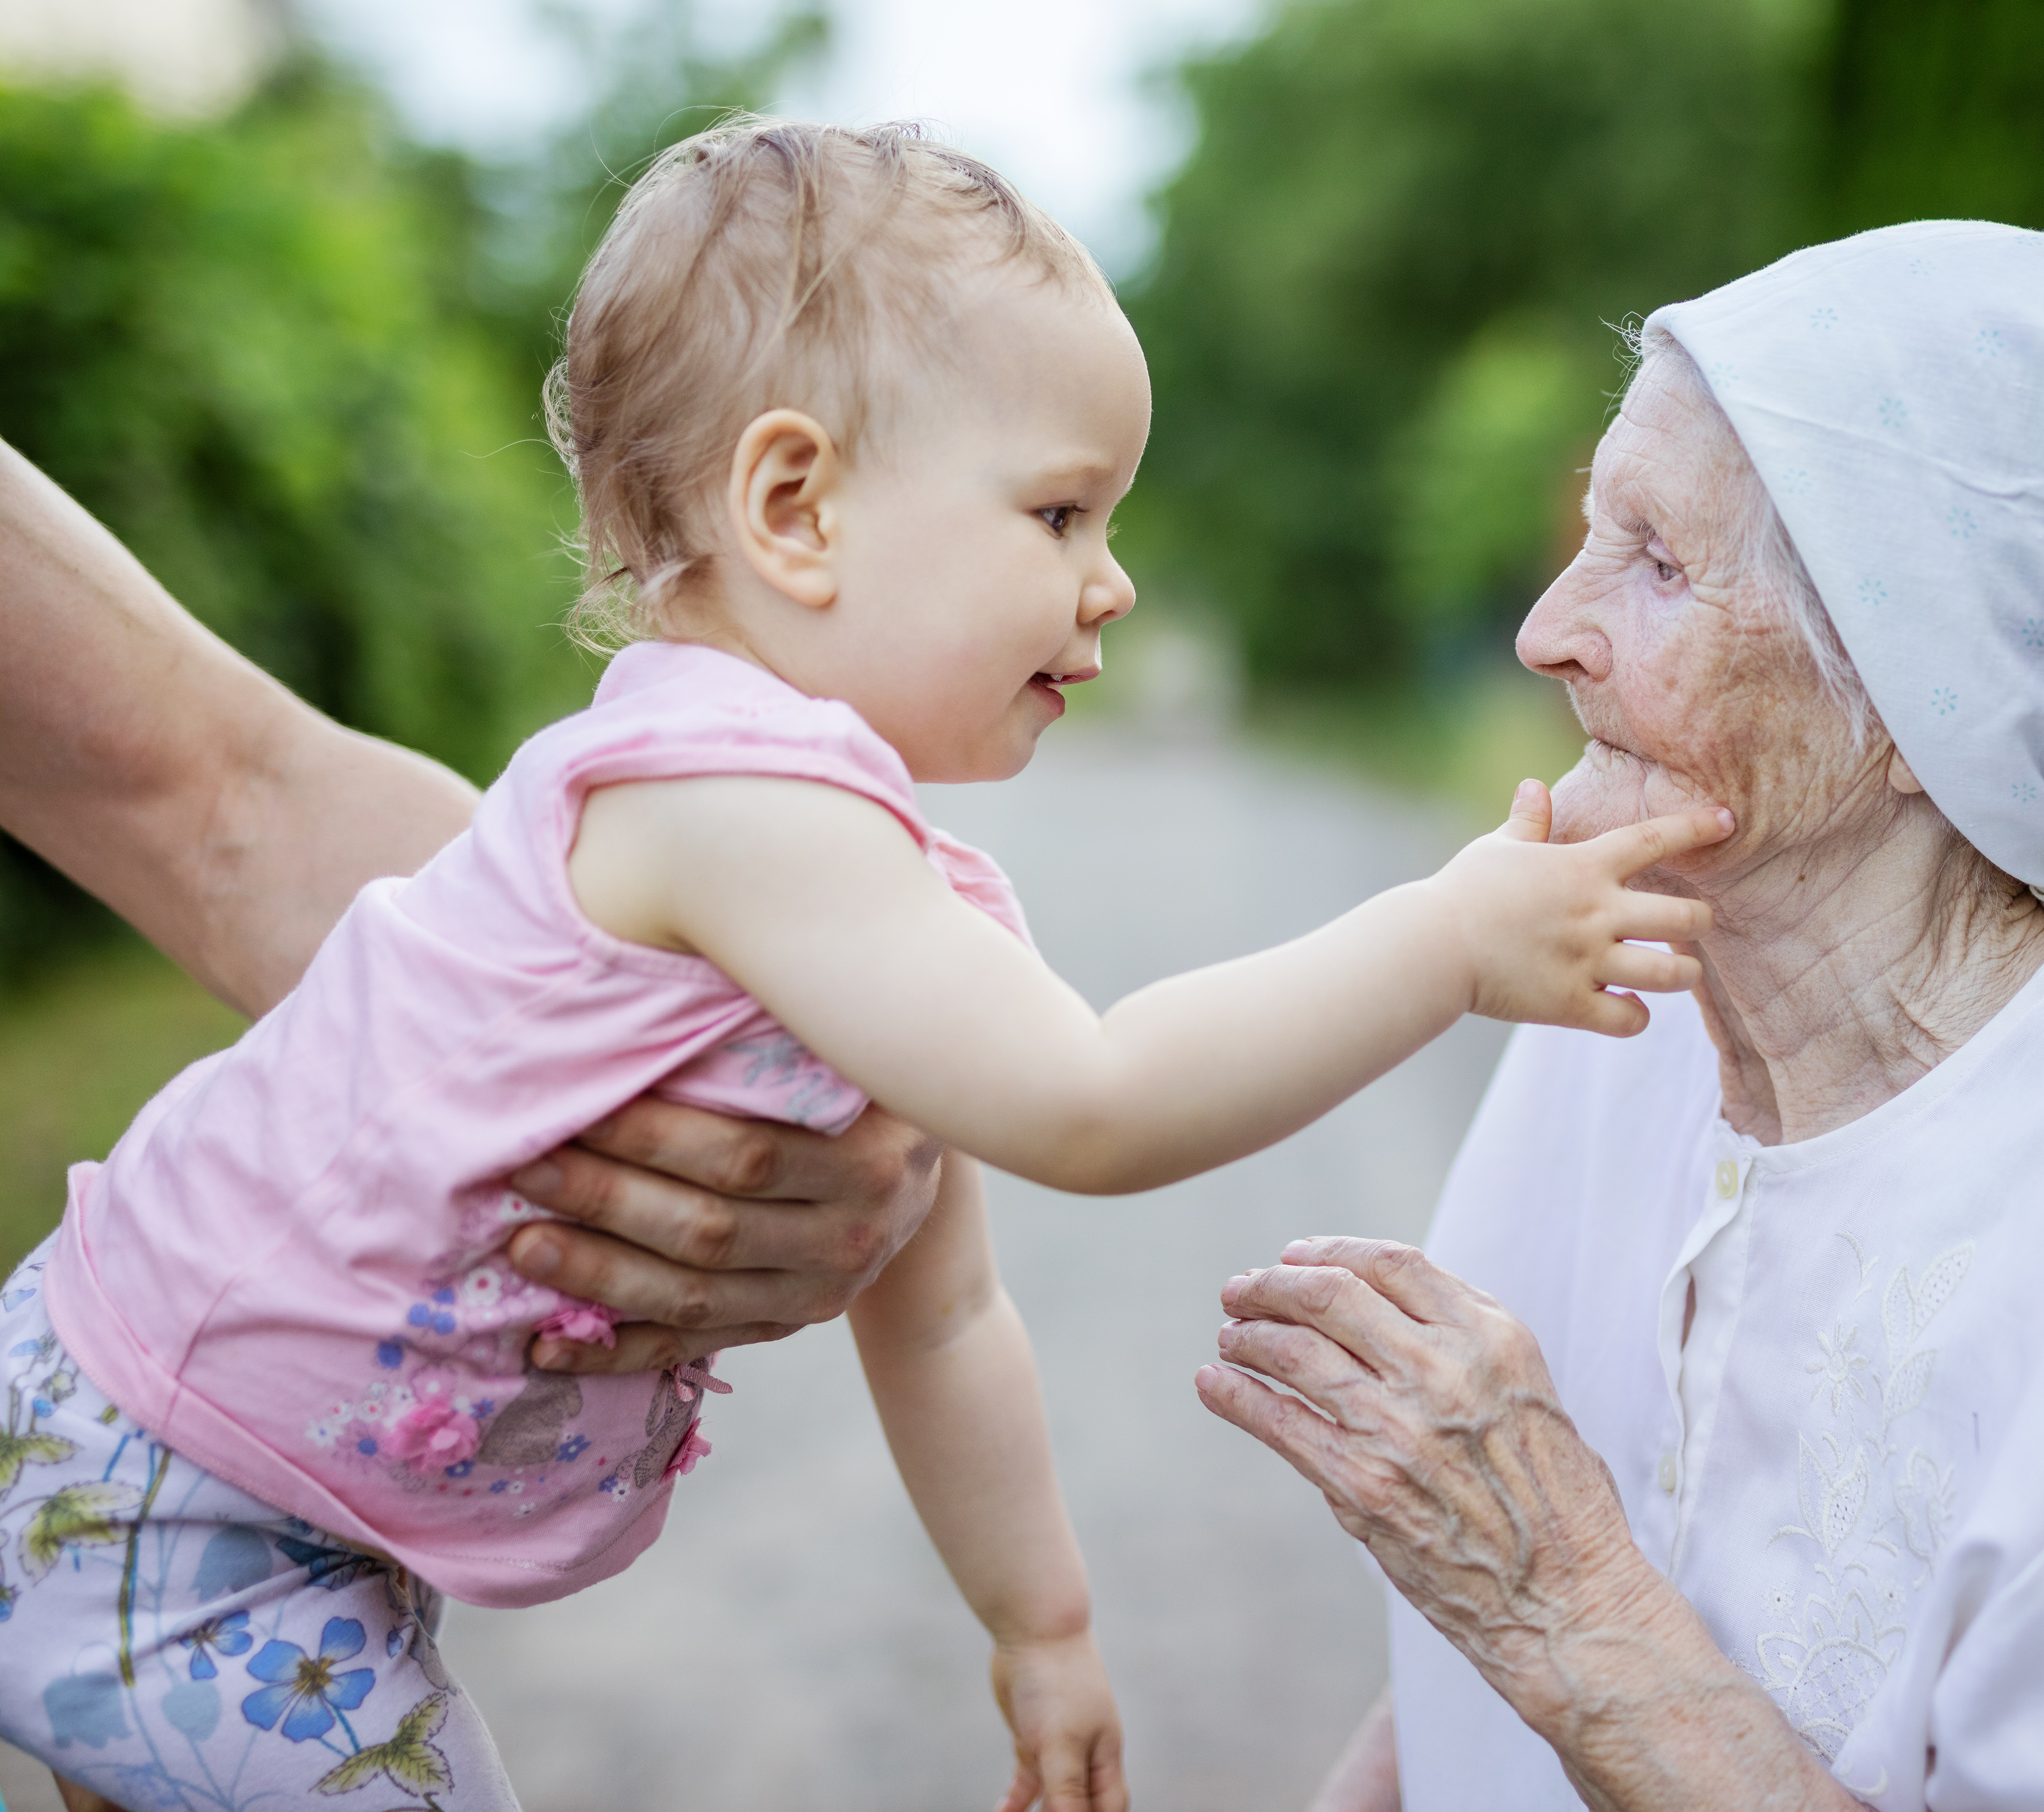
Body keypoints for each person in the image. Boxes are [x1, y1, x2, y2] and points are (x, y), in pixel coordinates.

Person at [0, 118, 1730, 1812]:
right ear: (796, 506)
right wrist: (1446, 936)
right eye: (1059, 513)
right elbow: (1097, 1102)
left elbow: (944, 1301)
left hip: (249, 1511)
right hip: (159, 1504)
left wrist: (1038, 1623)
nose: (1112, 582)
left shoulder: (858, 892)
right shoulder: (731, 805)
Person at [1204, 223, 2044, 1812]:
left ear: (1943, 697)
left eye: (1654, 563)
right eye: (1589, 534)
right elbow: (1462, 1689)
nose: (1545, 630)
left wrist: (1566, 1607)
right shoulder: (1622, 1000)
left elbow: (1534, 1603)